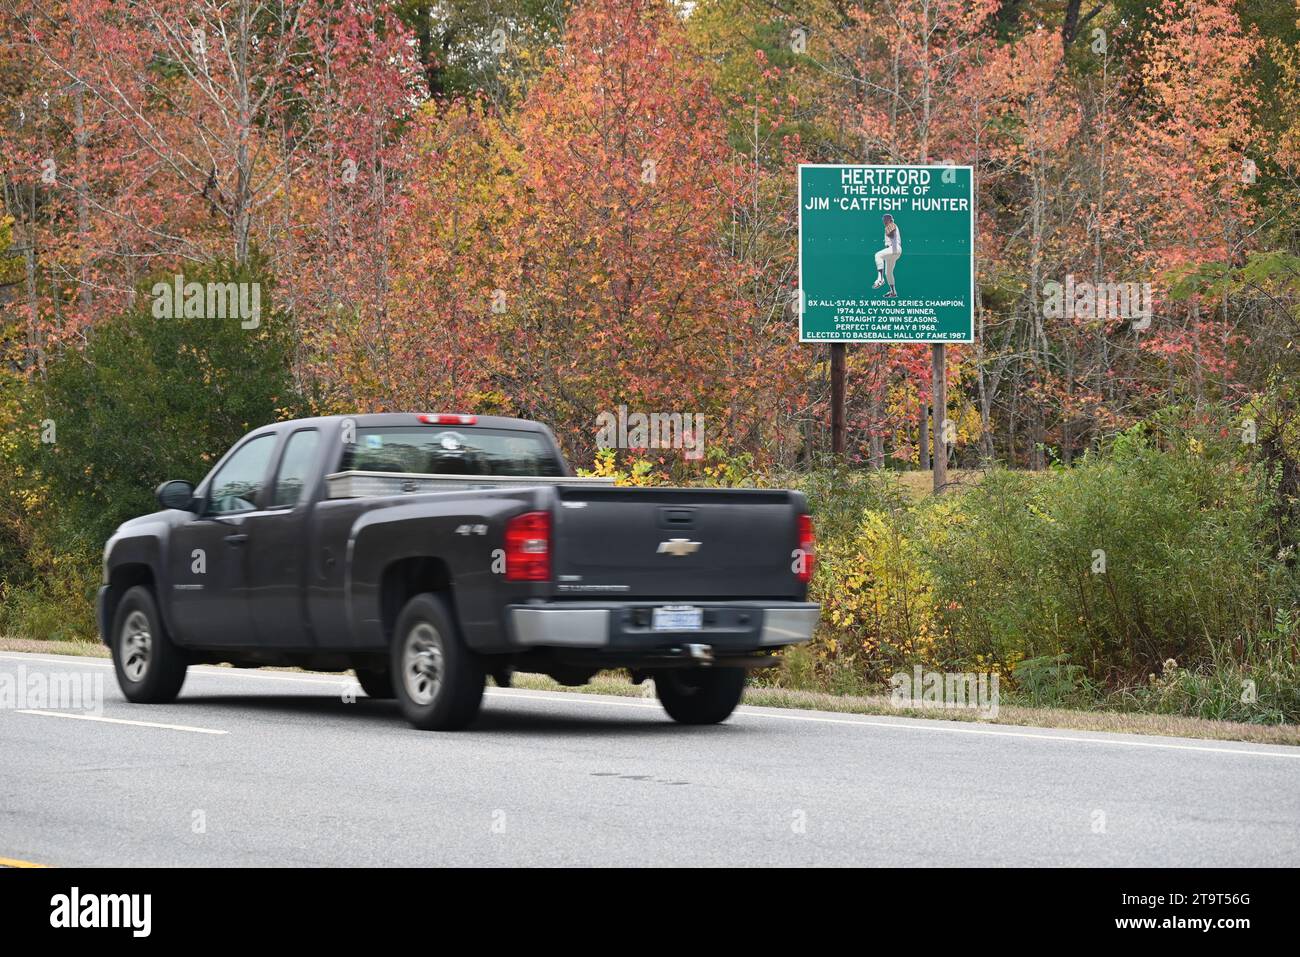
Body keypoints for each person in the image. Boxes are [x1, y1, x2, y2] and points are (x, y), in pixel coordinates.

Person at [873, 214, 902, 297]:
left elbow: (891, 233)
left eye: (886, 219)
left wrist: (888, 231)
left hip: (895, 249)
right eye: (883, 219)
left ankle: (880, 279)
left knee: (878, 255)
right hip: (892, 252)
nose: (884, 221)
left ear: (890, 219)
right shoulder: (888, 227)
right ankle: (893, 292)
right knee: (888, 273)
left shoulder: (892, 225)